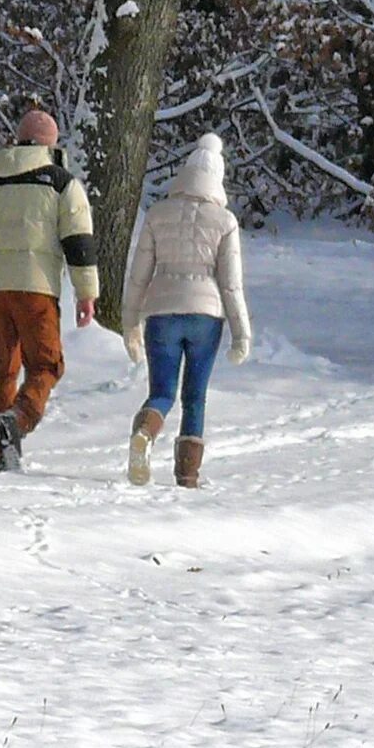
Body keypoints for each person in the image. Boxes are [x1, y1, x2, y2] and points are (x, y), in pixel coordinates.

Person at [0, 108, 99, 472]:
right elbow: (79, 242)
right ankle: (18, 419)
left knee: (4, 368)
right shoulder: (62, 183)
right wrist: (86, 293)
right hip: (37, 287)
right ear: (52, 144)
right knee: (46, 365)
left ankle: (3, 454)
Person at [120, 132, 251, 488]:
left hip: (161, 312)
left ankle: (145, 434)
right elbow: (231, 284)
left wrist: (130, 322)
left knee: (162, 392)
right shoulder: (224, 221)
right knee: (195, 397)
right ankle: (187, 476)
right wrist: (241, 334)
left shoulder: (158, 214)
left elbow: (137, 275)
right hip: (206, 318)